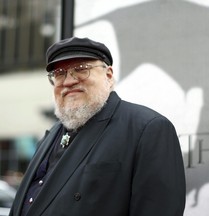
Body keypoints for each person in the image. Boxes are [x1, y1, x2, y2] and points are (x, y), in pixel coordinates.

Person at [9, 37, 186, 216]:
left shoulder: (147, 129)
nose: (68, 81)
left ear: (108, 76)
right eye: (60, 73)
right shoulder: (50, 135)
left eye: (81, 69)